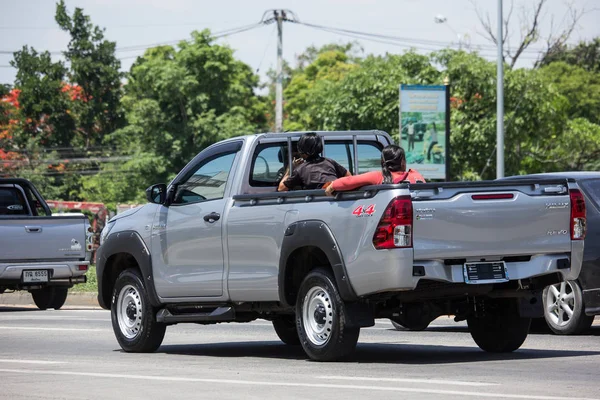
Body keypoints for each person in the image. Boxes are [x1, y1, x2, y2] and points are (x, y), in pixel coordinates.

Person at [324, 144, 425, 196]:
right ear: (402, 162)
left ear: (382, 161)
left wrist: (332, 186)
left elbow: (350, 181)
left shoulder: (379, 177)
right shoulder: (416, 175)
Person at [278, 132, 350, 191]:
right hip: (336, 198)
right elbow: (348, 177)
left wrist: (290, 168)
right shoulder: (330, 162)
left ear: (302, 150)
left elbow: (281, 189)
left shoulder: (301, 169)